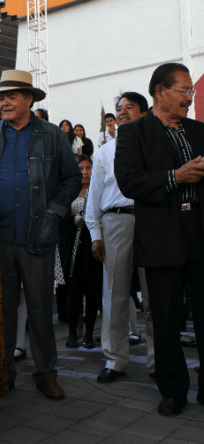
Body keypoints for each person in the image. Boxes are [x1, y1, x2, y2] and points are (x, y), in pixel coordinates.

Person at [0, 69, 82, 400]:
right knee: (1, 308)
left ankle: (46, 375)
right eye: (1, 97)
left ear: (29, 99)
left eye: (11, 96)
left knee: (41, 309)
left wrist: (53, 212)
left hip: (38, 235)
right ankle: (2, 374)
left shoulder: (52, 135)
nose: (4, 102)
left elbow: (72, 178)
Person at [115, 63, 204, 416]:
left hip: (199, 230)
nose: (189, 97)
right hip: (162, 233)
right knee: (165, 317)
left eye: (190, 91)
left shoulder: (198, 130)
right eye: (183, 90)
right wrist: (175, 177)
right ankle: (173, 390)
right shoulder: (134, 133)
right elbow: (129, 181)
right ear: (160, 92)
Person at [85, 91, 154, 384]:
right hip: (116, 220)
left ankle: (158, 360)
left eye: (130, 107)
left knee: (155, 292)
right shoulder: (104, 152)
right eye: (119, 108)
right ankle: (115, 359)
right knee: (114, 292)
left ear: (144, 114)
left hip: (151, 220)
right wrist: (95, 234)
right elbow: (94, 196)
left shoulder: (154, 146)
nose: (122, 112)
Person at [59, 155, 102, 349]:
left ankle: (89, 334)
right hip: (73, 249)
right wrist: (73, 220)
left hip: (93, 248)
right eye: (81, 168)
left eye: (88, 168)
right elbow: (59, 217)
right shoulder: (68, 190)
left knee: (93, 293)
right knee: (73, 294)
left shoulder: (99, 190)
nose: (85, 172)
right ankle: (71, 334)